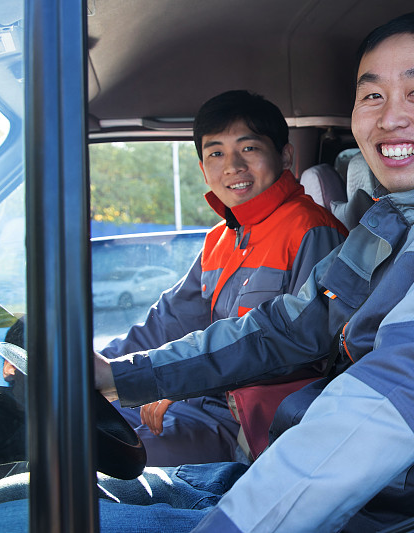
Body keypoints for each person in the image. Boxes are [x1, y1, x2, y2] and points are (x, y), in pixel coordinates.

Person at [0, 11, 414, 532]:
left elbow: (399, 392)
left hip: (361, 507)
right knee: (16, 496)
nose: (390, 116)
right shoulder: (388, 222)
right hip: (279, 467)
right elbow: (282, 327)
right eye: (372, 95)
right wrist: (119, 376)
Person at [100, 90, 348, 465]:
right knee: (84, 422)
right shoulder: (220, 237)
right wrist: (98, 365)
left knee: (110, 461)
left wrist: (172, 382)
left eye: (248, 148)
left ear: (285, 156)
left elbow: (301, 345)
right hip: (202, 401)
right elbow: (168, 322)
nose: (232, 166)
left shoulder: (311, 230)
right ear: (203, 169)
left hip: (254, 424)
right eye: (216, 153)